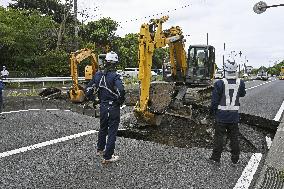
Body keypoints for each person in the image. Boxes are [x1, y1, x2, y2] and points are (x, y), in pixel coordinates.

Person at [85, 51, 125, 164]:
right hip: (113, 107)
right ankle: (108, 157)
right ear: (115, 63)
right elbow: (121, 91)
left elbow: (88, 90)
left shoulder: (98, 75)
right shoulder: (115, 76)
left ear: (106, 61)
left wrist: (94, 99)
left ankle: (100, 149)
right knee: (112, 131)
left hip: (103, 106)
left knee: (103, 128)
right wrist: (119, 101)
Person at [209, 55, 246, 165]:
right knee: (234, 137)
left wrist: (212, 113)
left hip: (221, 116)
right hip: (234, 116)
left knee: (219, 137)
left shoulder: (219, 83)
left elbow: (214, 102)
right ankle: (235, 159)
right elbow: (243, 94)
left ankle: (216, 158)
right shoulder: (241, 83)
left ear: (225, 70)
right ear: (235, 70)